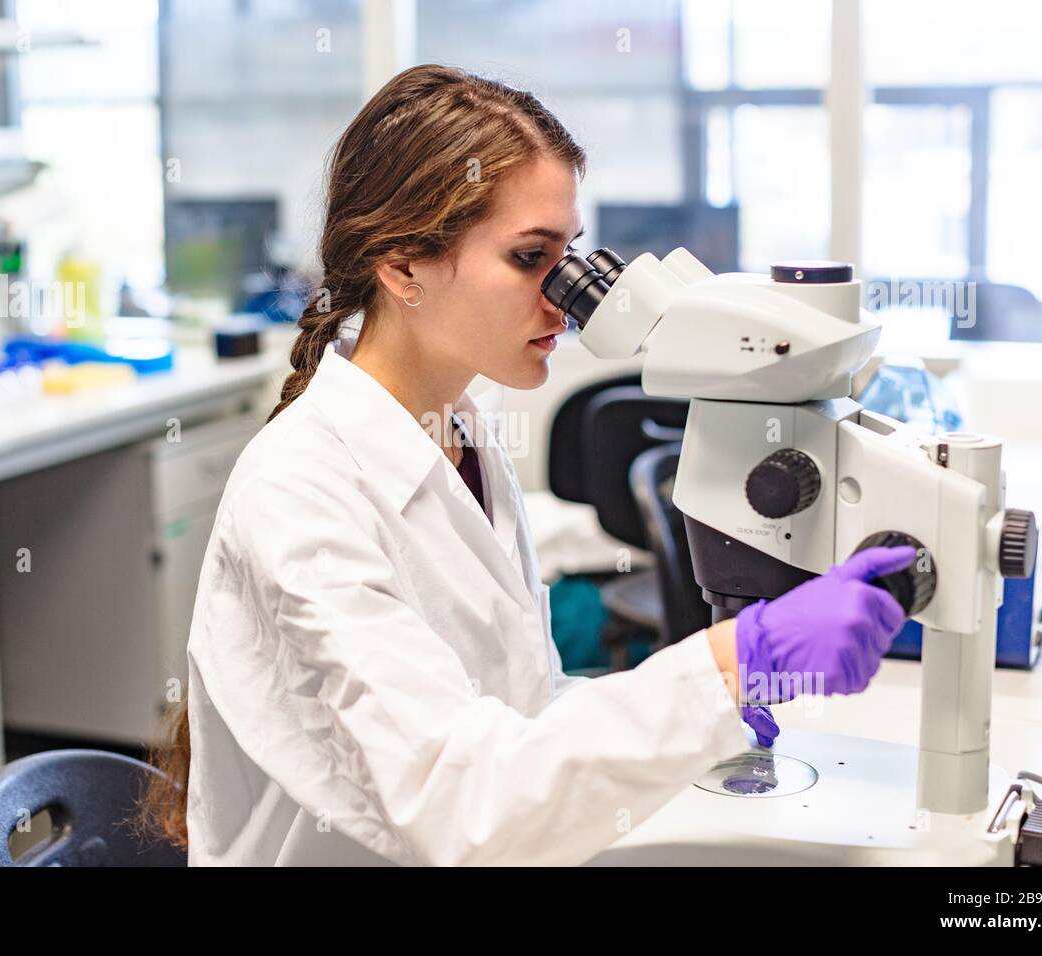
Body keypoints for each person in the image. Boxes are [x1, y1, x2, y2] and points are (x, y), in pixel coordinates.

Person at [140, 64, 915, 866]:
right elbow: (458, 802)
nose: (564, 299)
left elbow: (519, 714)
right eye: (528, 257)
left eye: (569, 254)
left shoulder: (463, 439)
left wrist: (699, 714)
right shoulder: (301, 493)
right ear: (404, 267)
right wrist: (727, 666)